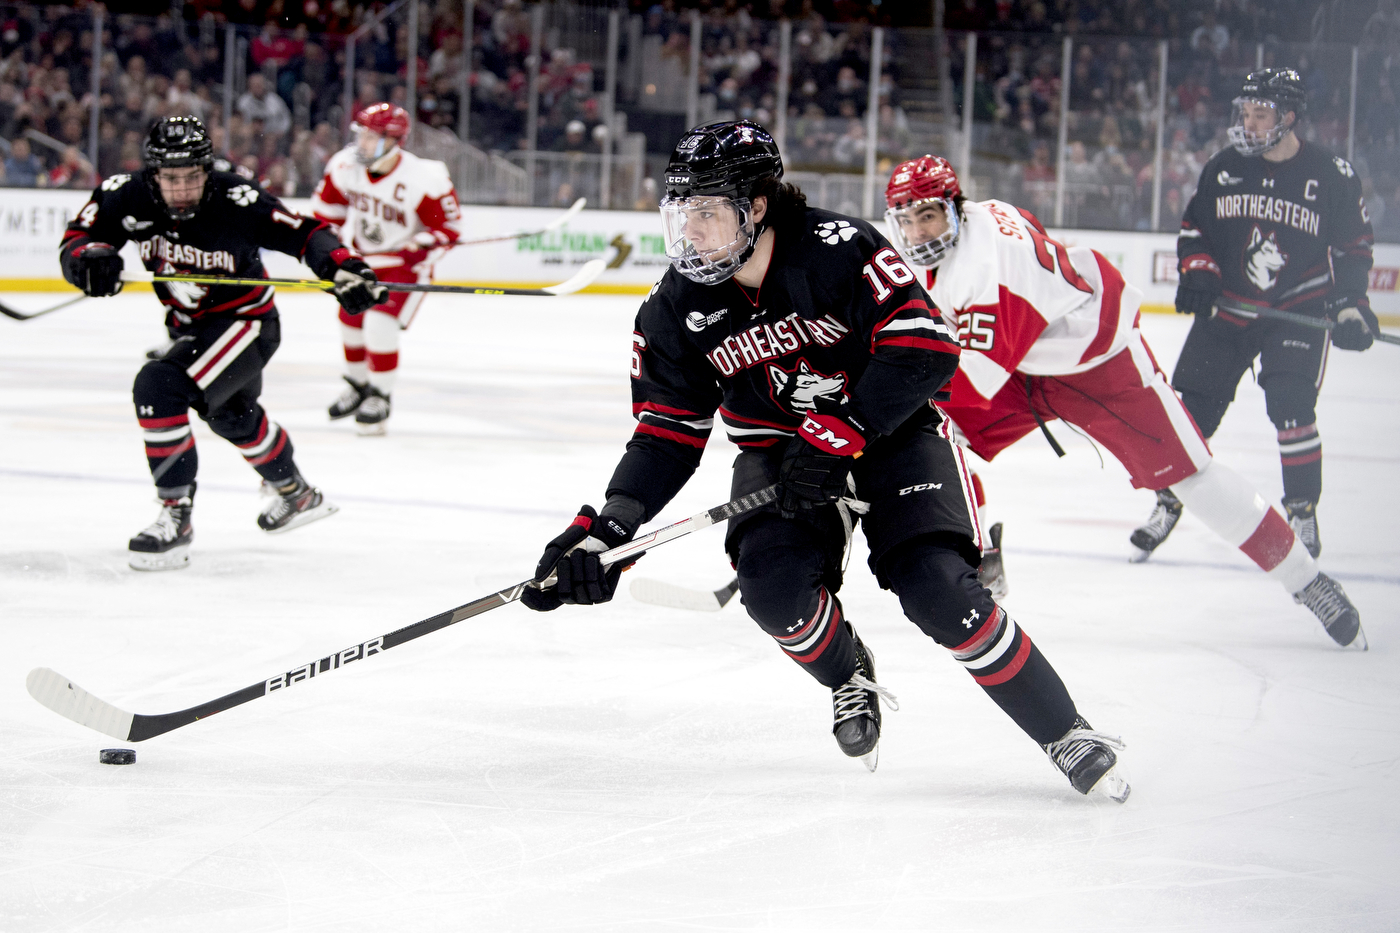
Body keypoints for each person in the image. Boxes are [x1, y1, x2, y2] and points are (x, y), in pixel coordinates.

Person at [518, 120, 1131, 802]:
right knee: (774, 593)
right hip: (780, 452)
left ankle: (1065, 729)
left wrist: (844, 429)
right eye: (680, 213)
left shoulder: (840, 249)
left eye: (706, 213)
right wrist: (610, 527)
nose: (688, 234)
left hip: (888, 430)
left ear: (755, 206)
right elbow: (667, 430)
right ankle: (848, 674)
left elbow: (925, 349)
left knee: (939, 590)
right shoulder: (673, 308)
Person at [883, 154, 1364, 649]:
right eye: (908, 219)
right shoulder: (985, 214)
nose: (919, 232)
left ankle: (1309, 582)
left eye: (929, 216)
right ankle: (983, 554)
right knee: (937, 430)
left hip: (1095, 360)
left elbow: (970, 381)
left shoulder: (985, 269)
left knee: (1190, 476)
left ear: (954, 207)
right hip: (1024, 355)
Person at [59, 116, 388, 571]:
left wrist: (343, 266)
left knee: (159, 386)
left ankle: (176, 518)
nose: (182, 189)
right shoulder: (124, 194)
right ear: (151, 173)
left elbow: (305, 233)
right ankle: (298, 493)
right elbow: (80, 238)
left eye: (192, 177)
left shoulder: (236, 197)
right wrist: (87, 260)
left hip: (247, 324)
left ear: (206, 171)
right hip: (191, 328)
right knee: (231, 414)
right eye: (170, 179)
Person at [1138, 70, 1378, 563]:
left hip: (1295, 312)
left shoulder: (1332, 174)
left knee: (1292, 411)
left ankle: (1302, 511)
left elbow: (1354, 247)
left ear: (1288, 118)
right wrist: (1199, 271)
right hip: (1227, 309)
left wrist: (1352, 303)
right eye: (1244, 113)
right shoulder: (1224, 166)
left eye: (1260, 114)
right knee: (1192, 414)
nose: (1247, 123)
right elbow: (1194, 227)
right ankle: (1167, 501)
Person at [310, 102, 463, 434]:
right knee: (349, 319)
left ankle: (380, 396)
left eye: (371, 136)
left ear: (395, 140)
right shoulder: (345, 166)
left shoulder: (423, 177)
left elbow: (449, 230)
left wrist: (423, 243)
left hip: (402, 265)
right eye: (361, 134)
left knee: (379, 323)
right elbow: (325, 217)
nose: (361, 143)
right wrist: (333, 254)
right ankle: (358, 385)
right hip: (362, 260)